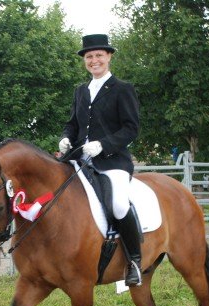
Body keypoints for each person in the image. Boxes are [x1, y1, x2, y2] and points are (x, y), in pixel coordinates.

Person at [58, 34, 141, 286]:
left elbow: (131, 128)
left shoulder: (122, 89)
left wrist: (103, 145)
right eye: (89, 56)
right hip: (79, 159)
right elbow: (73, 124)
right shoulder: (80, 91)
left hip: (113, 161)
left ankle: (134, 261)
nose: (94, 60)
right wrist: (65, 138)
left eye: (98, 55)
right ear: (85, 60)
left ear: (109, 57)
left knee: (117, 204)